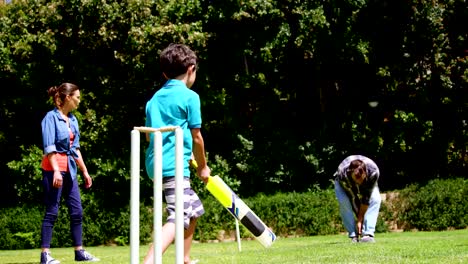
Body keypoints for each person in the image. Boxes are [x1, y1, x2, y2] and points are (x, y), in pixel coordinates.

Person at [143, 43, 211, 264]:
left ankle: (184, 258)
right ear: (191, 69)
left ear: (165, 73)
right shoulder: (190, 96)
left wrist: (186, 152)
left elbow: (149, 136)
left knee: (193, 209)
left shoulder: (154, 98)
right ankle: (149, 261)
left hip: (156, 162)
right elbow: (198, 137)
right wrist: (202, 166)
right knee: (178, 214)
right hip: (174, 166)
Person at [40, 83, 99, 263]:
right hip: (53, 170)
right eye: (77, 97)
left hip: (70, 170)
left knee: (77, 211)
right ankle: (45, 255)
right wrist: (57, 171)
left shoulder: (73, 120)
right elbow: (49, 147)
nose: (79, 101)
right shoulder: (50, 118)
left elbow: (75, 149)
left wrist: (85, 171)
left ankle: (79, 252)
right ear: (67, 97)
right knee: (52, 211)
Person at [334, 155, 381, 243]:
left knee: (376, 199)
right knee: (344, 202)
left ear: (365, 173)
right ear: (350, 172)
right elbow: (353, 198)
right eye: (357, 179)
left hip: (369, 178)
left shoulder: (374, 172)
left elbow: (366, 198)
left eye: (361, 178)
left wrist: (360, 219)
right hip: (341, 181)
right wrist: (359, 219)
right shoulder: (343, 174)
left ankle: (368, 234)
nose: (359, 182)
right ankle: (353, 236)